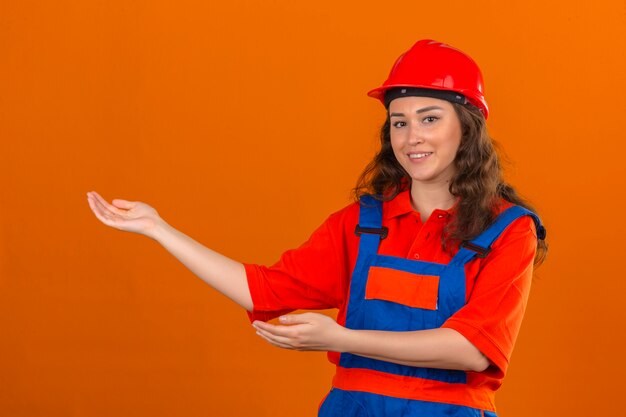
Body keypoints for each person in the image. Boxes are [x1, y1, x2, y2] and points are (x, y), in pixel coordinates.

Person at [86, 39, 547, 417]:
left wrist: (339, 339)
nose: (412, 138)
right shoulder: (364, 223)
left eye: (430, 118)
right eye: (398, 122)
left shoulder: (508, 230)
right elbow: (264, 291)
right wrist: (160, 229)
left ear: (467, 127)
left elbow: (471, 350)